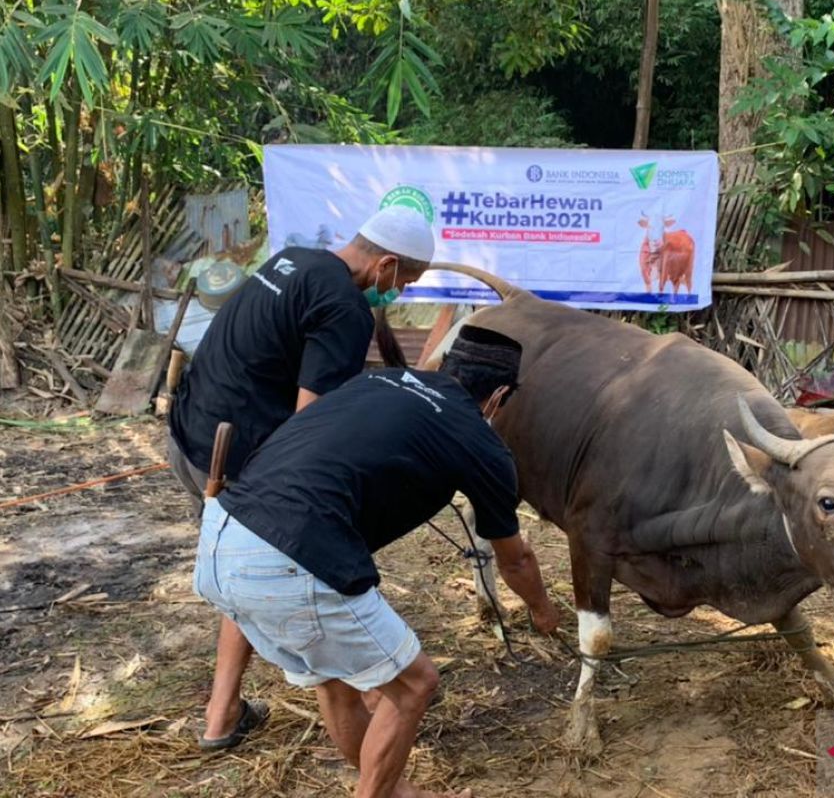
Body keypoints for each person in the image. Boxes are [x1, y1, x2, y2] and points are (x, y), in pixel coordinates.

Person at [193, 326, 559, 798]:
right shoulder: (479, 439)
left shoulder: (376, 382)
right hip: (291, 559)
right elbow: (515, 560)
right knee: (414, 685)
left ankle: (395, 792)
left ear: (447, 366)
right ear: (499, 396)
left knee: (335, 682)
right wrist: (544, 613)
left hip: (222, 535)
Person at [167, 206, 435, 750]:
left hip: (190, 435)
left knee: (242, 577)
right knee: (294, 563)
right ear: (384, 265)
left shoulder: (293, 261)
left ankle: (223, 713)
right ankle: (370, 697)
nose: (400, 292)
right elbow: (312, 429)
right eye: (405, 280)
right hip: (234, 456)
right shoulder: (345, 309)